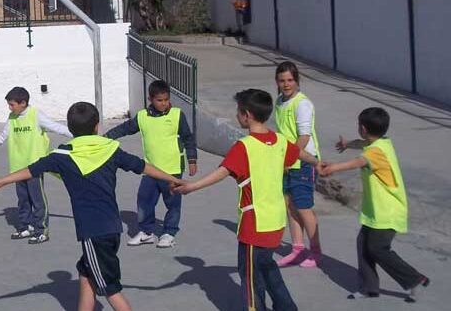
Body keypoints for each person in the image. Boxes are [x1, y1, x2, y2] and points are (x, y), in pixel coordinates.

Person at [0, 102, 184, 311]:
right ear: (97, 126)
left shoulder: (62, 156)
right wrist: (172, 178)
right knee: (86, 275)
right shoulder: (111, 149)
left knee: (111, 290)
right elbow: (143, 166)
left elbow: (30, 170)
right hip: (112, 229)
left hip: (93, 233)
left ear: (70, 129)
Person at [174, 89, 319, 311]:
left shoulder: (245, 147)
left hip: (254, 224)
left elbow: (221, 172)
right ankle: (286, 307)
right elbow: (299, 154)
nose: (236, 115)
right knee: (267, 266)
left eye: (238, 111)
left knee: (250, 275)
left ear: (247, 115)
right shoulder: (279, 140)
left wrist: (192, 186)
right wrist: (317, 162)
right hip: (276, 222)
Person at [323, 107, 430, 302]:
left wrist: (333, 168)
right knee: (363, 245)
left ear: (363, 128)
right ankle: (369, 288)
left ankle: (415, 279)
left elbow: (358, 162)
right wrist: (347, 144)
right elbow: (361, 145)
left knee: (378, 249)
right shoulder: (380, 142)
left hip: (387, 211)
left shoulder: (375, 153)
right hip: (376, 211)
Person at [104, 80, 197, 248]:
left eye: (166, 99)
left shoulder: (177, 115)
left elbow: (188, 138)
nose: (163, 103)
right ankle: (146, 232)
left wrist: (192, 160)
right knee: (144, 201)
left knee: (172, 203)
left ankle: (169, 232)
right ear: (150, 99)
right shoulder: (142, 116)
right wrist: (106, 138)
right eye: (159, 100)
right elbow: (125, 128)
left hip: (172, 169)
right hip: (150, 169)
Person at [0, 86, 71, 244]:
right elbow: (2, 137)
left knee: (37, 200)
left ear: (23, 103)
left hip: (34, 167)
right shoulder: (12, 117)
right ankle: (26, 227)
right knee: (23, 199)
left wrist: (81, 134)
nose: (10, 107)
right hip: (18, 168)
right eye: (9, 104)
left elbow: (57, 128)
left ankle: (41, 231)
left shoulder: (35, 115)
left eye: (12, 104)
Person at [273, 62, 323, 268]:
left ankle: (316, 250)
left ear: (297, 81)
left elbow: (303, 137)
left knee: (304, 208)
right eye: (282, 80)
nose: (286, 84)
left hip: (303, 162)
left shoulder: (302, 104)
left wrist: (289, 157)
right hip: (287, 162)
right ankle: (297, 249)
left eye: (290, 80)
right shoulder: (280, 102)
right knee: (290, 206)